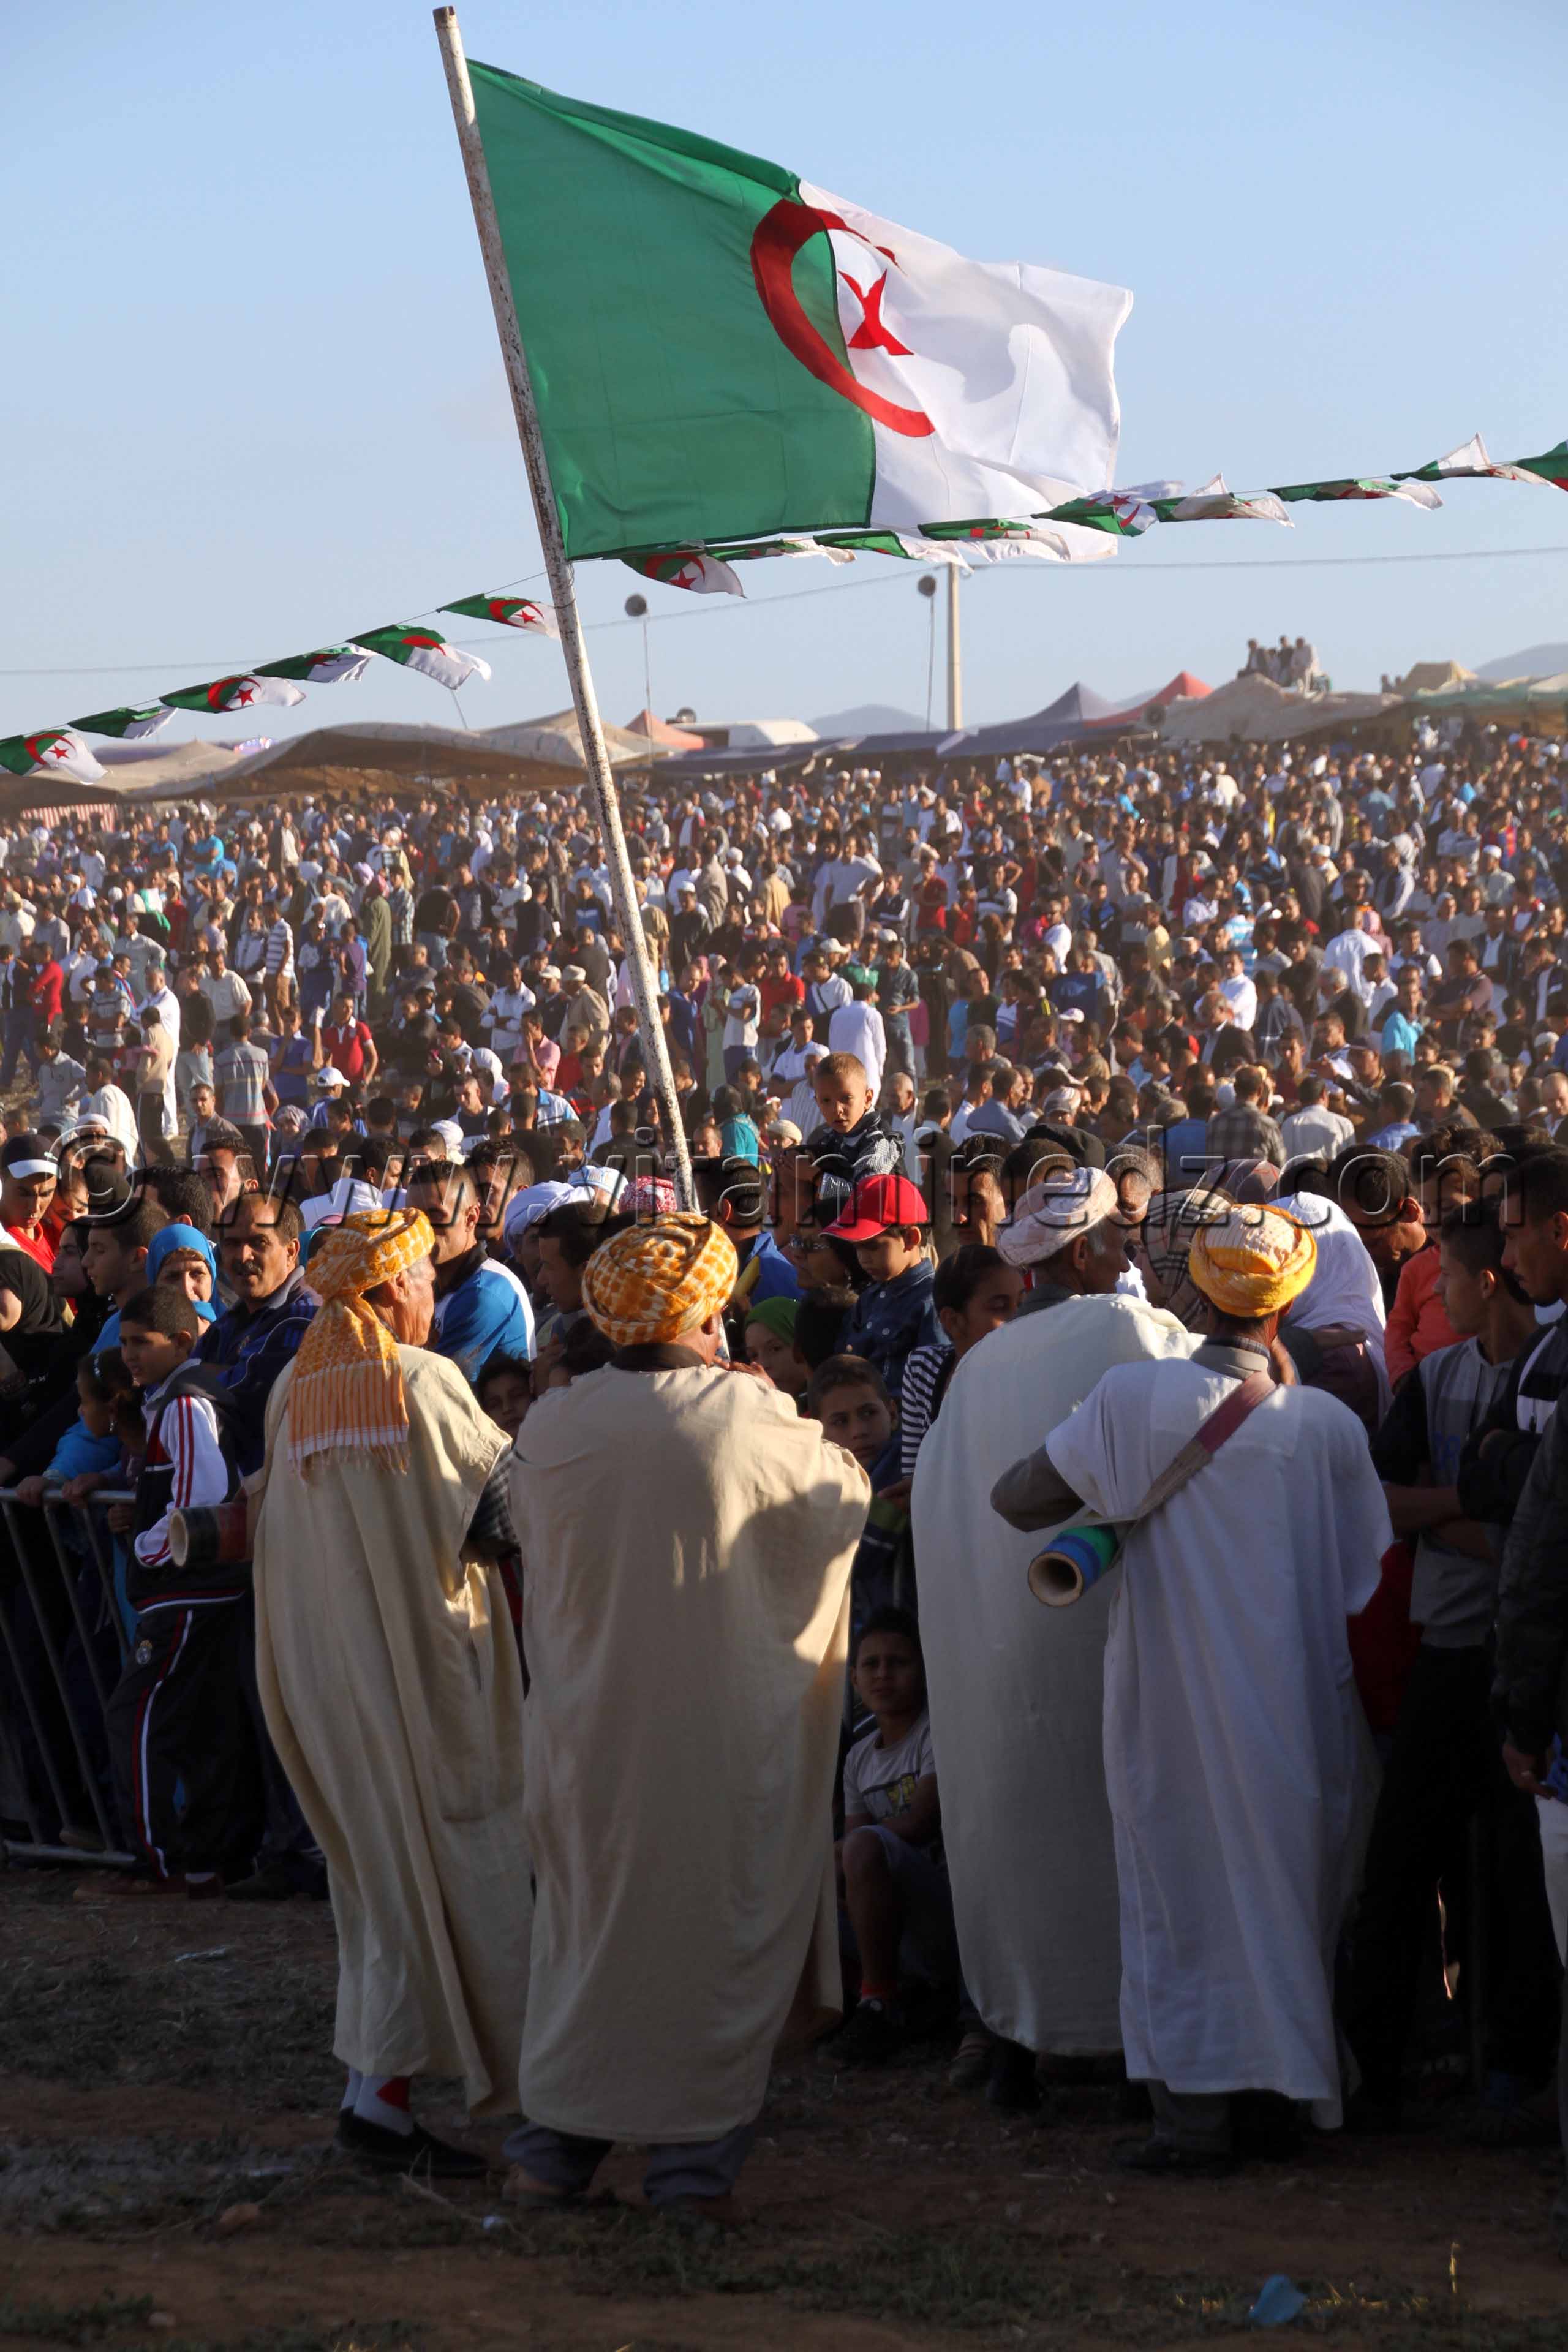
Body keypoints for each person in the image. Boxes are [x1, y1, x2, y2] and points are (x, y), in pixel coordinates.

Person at [995, 1203, 1390, 2172]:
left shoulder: (1134, 1399)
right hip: (1296, 1717)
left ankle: (1192, 2126)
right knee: (1286, 1904)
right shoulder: (1327, 1428)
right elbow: (1358, 1573)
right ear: (1286, 1301)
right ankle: (1289, 2104)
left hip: (1169, 1711)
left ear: (1194, 1292)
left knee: (1180, 1899)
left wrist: (1115, 1491)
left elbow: (1016, 1498)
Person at [504, 1215, 867, 2217]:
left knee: (590, 1943)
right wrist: (778, 1406)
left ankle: (551, 2155)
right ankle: (690, 2175)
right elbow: (841, 1501)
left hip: (586, 1739)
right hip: (711, 1742)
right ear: (710, 1313)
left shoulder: (553, 1422)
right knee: (706, 1944)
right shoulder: (745, 1419)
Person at [910, 1167, 1196, 2100]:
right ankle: (1129, 2049)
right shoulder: (1128, 1330)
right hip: (1104, 1642)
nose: (1128, 1260)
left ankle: (1020, 2037)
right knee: (1117, 1835)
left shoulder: (976, 1366)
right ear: (1084, 1253)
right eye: (1118, 1244)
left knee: (1022, 1838)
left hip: (1000, 1661)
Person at [252, 1208, 528, 2175]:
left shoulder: (293, 1388)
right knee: (460, 1870)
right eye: (420, 1281)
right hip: (427, 1676)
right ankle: (541, 2098)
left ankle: (376, 2098)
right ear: (383, 1293)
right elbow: (505, 1515)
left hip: (328, 1677)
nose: (434, 1297)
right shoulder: (425, 1381)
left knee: (376, 1880)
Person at [1349, 1202, 1558, 2132]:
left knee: (1520, 1879)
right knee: (1400, 1864)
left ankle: (1517, 2068)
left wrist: (1467, 1527)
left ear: (1488, 1281)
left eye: (1443, 1281)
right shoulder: (1434, 1381)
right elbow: (1386, 1502)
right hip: (1446, 1653)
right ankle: (1383, 2062)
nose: (1429, 1298)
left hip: (1518, 1664)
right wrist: (1478, 1520)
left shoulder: (1547, 1381)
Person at [100, 1283, 247, 1896]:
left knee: (137, 1718)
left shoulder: (186, 1406)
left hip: (189, 1591)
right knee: (201, 1726)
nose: (129, 1355)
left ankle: (158, 1863)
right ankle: (207, 1858)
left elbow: (201, 1502)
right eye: (125, 1343)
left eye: (142, 1343)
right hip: (198, 1592)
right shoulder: (174, 1400)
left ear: (182, 1341)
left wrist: (144, 1546)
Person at [834, 1608, 958, 2064]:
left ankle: (879, 2002)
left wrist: (850, 1849)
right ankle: (864, 1999)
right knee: (808, 1878)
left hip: (946, 1912)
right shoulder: (858, 1758)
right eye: (871, 1665)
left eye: (898, 1663)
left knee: (861, 1846)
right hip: (891, 1920)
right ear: (853, 1678)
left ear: (923, 1671)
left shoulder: (935, 1732)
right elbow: (851, 1856)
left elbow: (923, 1821)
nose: (883, 1674)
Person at [402, 1160, 535, 1384]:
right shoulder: (436, 1284)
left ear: (472, 1217)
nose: (422, 1231)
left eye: (435, 1218)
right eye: (413, 1218)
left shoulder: (484, 1293)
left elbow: (430, 1386)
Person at [823, 1172, 941, 1404]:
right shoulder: (868, 1300)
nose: (864, 1259)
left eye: (873, 1247)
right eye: (858, 1248)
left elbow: (933, 1388)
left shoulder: (932, 1303)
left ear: (910, 1238)